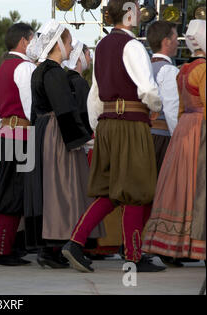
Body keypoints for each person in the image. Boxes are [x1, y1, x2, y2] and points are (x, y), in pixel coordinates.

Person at [62, 0, 166, 272]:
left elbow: (95, 95)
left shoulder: (102, 46)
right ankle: (133, 256)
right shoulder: (132, 46)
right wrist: (155, 108)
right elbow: (148, 89)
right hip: (130, 123)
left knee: (110, 191)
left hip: (107, 123)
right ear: (129, 13)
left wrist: (99, 127)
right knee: (135, 189)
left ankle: (75, 242)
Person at [25, 20, 102, 269]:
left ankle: (51, 247)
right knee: (61, 189)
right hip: (57, 134)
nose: (71, 48)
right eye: (68, 42)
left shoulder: (39, 70)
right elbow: (64, 109)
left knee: (49, 189)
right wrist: (80, 139)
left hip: (43, 131)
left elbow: (34, 111)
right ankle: (52, 248)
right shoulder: (55, 72)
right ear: (58, 43)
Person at [143, 19, 206, 263]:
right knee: (197, 187)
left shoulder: (184, 70)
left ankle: (172, 245)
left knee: (181, 187)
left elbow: (179, 109)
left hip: (184, 129)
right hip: (200, 128)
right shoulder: (202, 70)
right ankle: (195, 244)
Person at [0, 23, 37, 266]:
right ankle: (4, 250)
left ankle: (9, 246)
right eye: (34, 38)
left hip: (7, 134)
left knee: (13, 191)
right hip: (23, 135)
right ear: (24, 42)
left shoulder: (2, 69)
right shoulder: (26, 67)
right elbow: (31, 108)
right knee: (16, 193)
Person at [146, 21, 180, 174]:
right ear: (166, 42)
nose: (178, 43)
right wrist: (178, 142)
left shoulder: (144, 68)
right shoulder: (169, 71)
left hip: (143, 137)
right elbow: (172, 111)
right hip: (162, 140)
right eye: (176, 38)